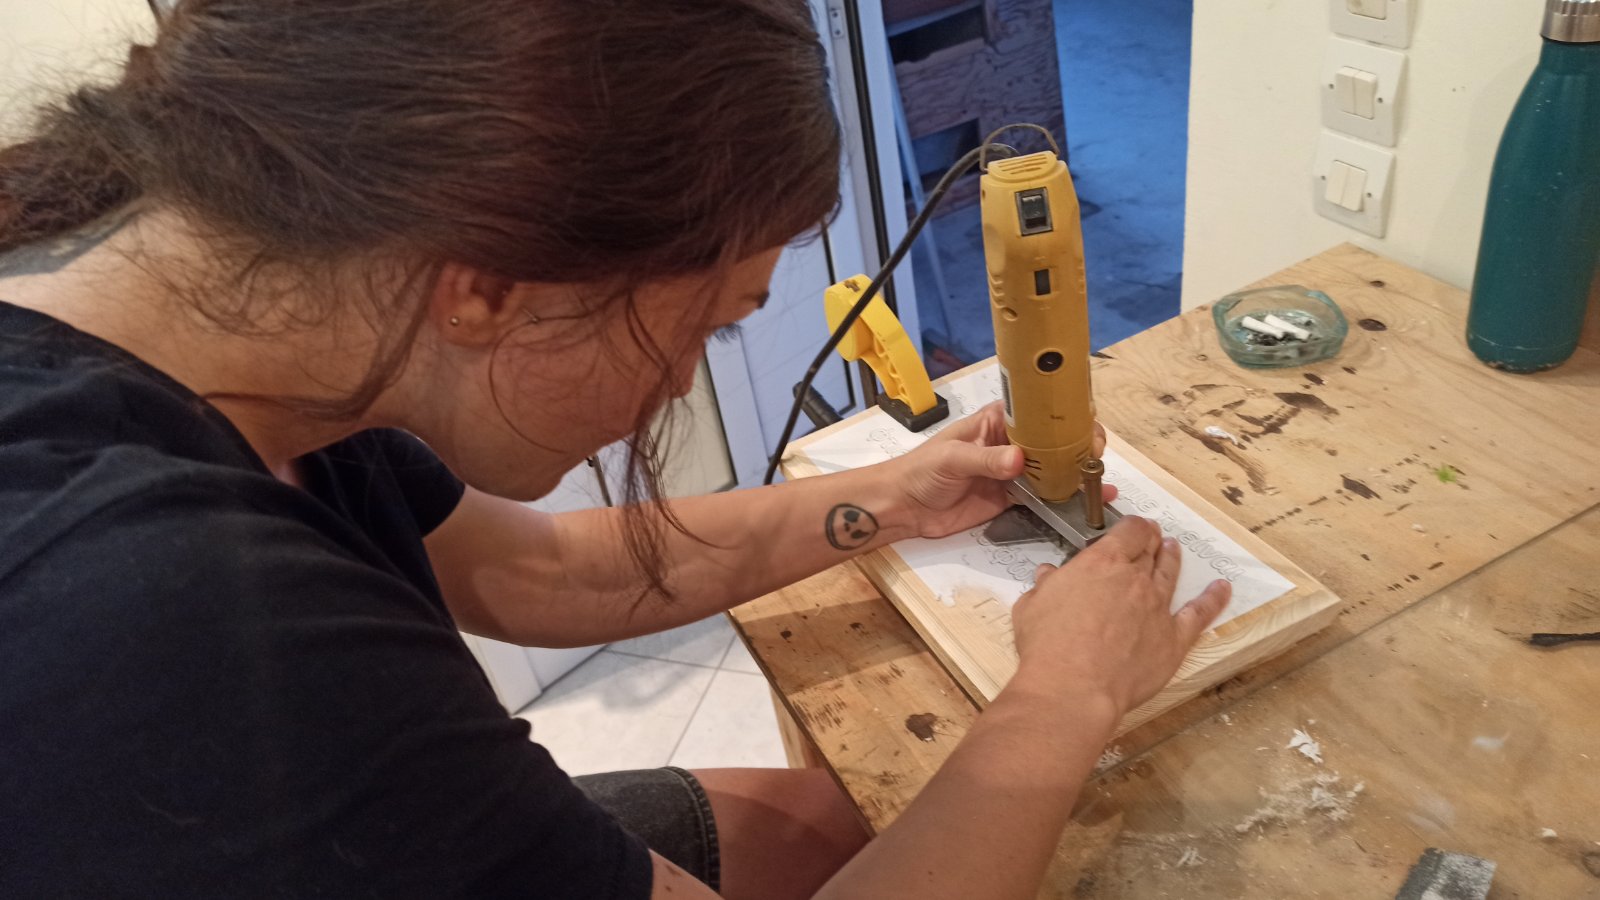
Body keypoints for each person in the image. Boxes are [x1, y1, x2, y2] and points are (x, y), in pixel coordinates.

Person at [0, 1, 1230, 897]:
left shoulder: (274, 318)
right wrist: (1061, 699)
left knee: (833, 817)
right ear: (491, 288)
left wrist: (894, 498)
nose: (685, 381)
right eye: (701, 325)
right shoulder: (159, 616)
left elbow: (539, 573)